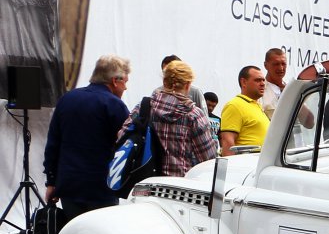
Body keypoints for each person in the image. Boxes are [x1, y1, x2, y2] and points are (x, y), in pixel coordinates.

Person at [42, 54, 132, 222]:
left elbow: (53, 144)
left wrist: (51, 182)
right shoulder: (114, 105)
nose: (125, 88)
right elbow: (126, 147)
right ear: (114, 81)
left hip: (69, 186)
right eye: (125, 82)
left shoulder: (66, 99)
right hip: (101, 187)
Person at [126, 59, 217, 176]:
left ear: (164, 82)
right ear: (188, 85)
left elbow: (122, 136)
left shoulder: (143, 107)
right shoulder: (194, 115)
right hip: (177, 187)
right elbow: (209, 159)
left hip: (143, 183)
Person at [219, 65, 269, 155]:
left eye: (263, 80)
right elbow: (227, 143)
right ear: (244, 82)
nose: (262, 83)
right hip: (247, 166)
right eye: (258, 80)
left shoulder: (256, 105)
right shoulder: (234, 105)